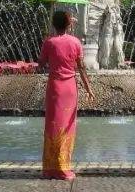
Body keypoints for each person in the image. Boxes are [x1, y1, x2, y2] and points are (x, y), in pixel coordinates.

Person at [38, 11, 96, 180]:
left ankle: (50, 168)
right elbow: (82, 68)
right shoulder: (76, 42)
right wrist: (88, 89)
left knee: (53, 124)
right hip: (70, 88)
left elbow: (40, 64)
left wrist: (47, 44)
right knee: (67, 126)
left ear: (54, 24)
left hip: (55, 87)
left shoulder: (49, 42)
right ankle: (64, 168)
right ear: (69, 24)